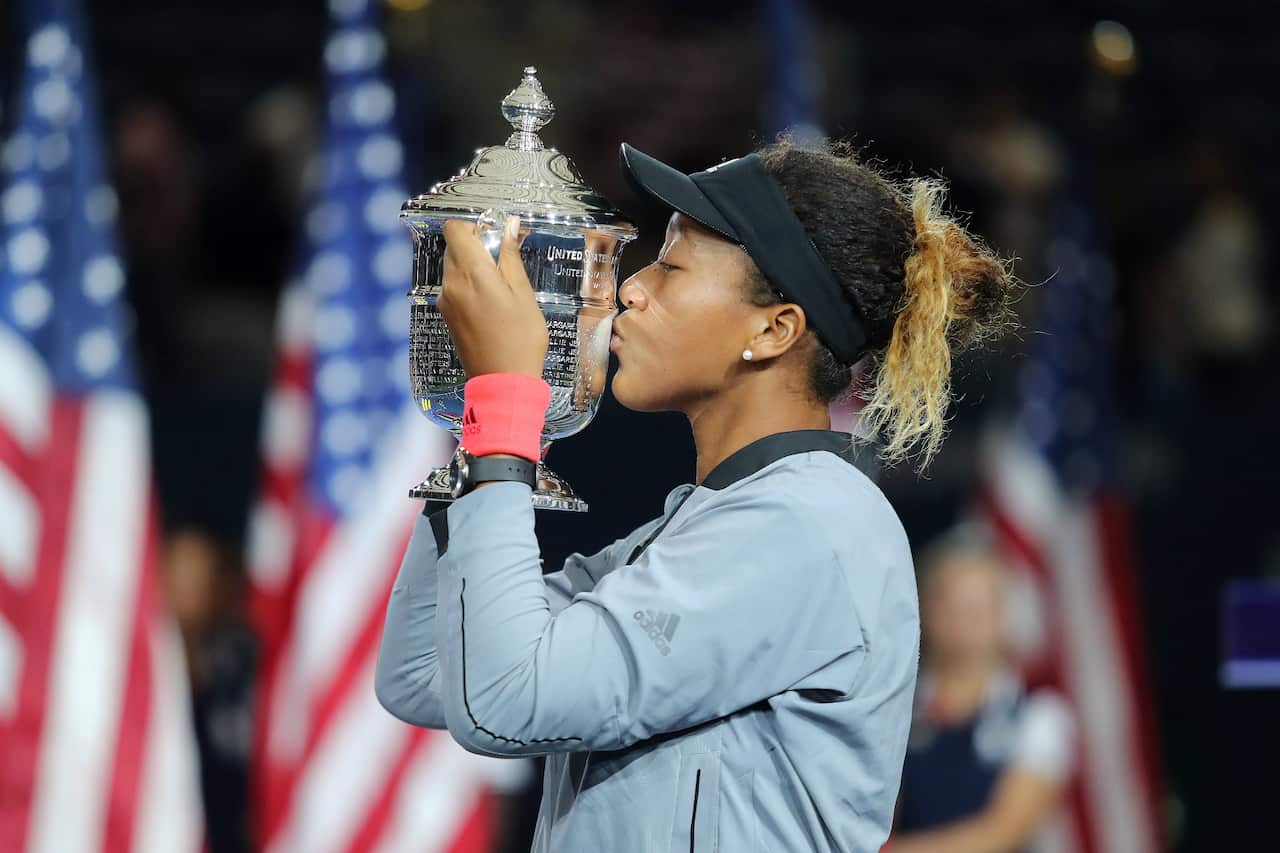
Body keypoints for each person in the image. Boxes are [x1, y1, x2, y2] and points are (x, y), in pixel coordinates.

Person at [374, 138, 1018, 852]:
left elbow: (504, 702)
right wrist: (490, 426)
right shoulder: (713, 522)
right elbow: (425, 672)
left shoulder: (805, 527)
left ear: (774, 330)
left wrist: (507, 407)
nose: (630, 287)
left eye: (672, 266)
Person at [887, 536, 1074, 853]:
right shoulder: (895, 709)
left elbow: (1003, 831)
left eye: (978, 606)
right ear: (927, 610)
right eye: (951, 604)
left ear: (1002, 614)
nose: (964, 621)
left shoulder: (1040, 715)